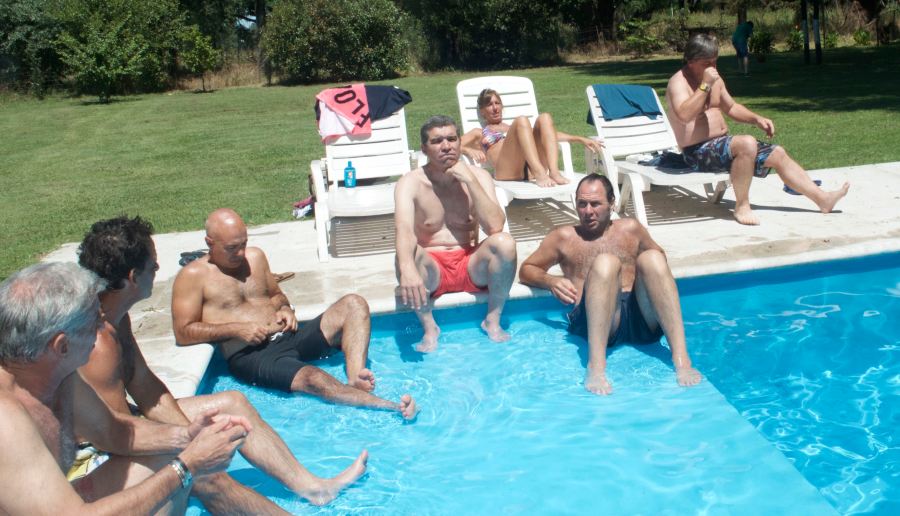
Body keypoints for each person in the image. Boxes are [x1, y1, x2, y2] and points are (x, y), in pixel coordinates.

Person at [77, 216, 367, 512]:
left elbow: (146, 387)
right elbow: (116, 436)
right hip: (92, 457)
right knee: (203, 472)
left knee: (233, 403)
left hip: (121, 428)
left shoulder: (117, 318)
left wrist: (190, 431)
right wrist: (191, 442)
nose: (158, 268)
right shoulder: (96, 343)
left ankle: (314, 488)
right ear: (132, 277)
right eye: (152, 264)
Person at [0, 262, 250, 514]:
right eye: (95, 323)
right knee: (180, 472)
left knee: (171, 460)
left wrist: (186, 436)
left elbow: (113, 431)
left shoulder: (58, 374)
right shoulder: (6, 421)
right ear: (61, 346)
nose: (104, 328)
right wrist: (187, 466)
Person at [171, 208, 416, 420]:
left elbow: (276, 295)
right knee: (313, 378)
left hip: (289, 335)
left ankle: (356, 377)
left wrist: (285, 309)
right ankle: (392, 407)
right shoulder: (193, 276)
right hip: (253, 355)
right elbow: (183, 332)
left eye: (243, 243)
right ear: (210, 242)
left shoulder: (255, 257)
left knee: (354, 304)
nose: (241, 253)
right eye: (232, 248)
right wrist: (236, 330)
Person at [519, 174, 702, 395]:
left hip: (641, 318)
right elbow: (527, 269)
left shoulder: (631, 229)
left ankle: (681, 359)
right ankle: (596, 368)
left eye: (595, 204)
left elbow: (660, 259)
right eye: (582, 204)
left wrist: (643, 274)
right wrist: (551, 281)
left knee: (652, 257)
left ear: (612, 203)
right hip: (599, 321)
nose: (588, 211)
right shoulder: (564, 237)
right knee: (606, 263)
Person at [666, 33, 849, 226]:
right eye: (707, 63)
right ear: (691, 61)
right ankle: (742, 206)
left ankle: (823, 199)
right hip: (696, 152)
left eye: (715, 62)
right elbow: (684, 115)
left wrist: (756, 119)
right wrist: (705, 85)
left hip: (721, 146)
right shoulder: (678, 82)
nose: (713, 68)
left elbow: (731, 107)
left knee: (778, 153)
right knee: (746, 143)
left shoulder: (714, 79)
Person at [395, 115, 517, 351]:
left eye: (452, 139)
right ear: (424, 148)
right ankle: (430, 328)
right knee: (406, 255)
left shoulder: (479, 177)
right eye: (437, 141)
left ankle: (492, 320)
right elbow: (404, 230)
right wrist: (407, 269)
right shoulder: (410, 183)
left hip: (470, 264)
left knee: (505, 242)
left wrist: (469, 180)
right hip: (432, 269)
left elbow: (495, 227)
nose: (446, 146)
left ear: (460, 143)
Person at [460, 88, 602, 187]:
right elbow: (453, 144)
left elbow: (549, 135)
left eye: (497, 103)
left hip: (529, 170)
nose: (495, 108)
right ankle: (540, 173)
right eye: (489, 105)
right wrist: (468, 150)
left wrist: (579, 139)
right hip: (506, 172)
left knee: (545, 118)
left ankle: (554, 171)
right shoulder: (479, 132)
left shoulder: (515, 128)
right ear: (482, 111)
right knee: (522, 120)